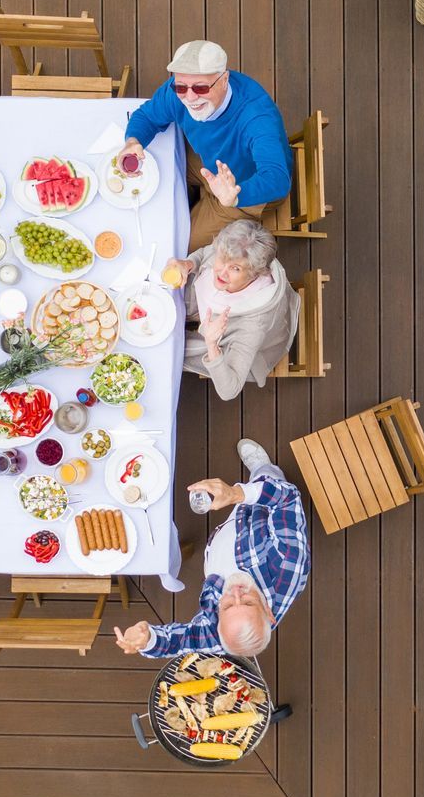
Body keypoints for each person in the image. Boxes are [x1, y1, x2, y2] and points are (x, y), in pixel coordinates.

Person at [113, 441, 309, 658]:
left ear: (219, 621)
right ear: (269, 614)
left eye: (226, 607)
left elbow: (184, 642)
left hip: (226, 545)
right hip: (259, 512)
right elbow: (287, 499)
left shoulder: (220, 636)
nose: (235, 593)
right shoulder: (289, 564)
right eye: (248, 601)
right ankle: (263, 469)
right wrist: (237, 494)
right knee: (268, 479)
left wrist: (148, 640)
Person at [121, 40, 292, 247]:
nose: (190, 97)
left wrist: (236, 195)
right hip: (205, 160)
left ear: (224, 79)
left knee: (177, 245)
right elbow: (147, 117)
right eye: (180, 87)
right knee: (145, 176)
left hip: (239, 190)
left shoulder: (257, 118)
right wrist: (132, 141)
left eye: (201, 88)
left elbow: (277, 179)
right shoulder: (179, 92)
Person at [163, 220, 297, 400]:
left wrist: (211, 344)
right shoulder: (231, 248)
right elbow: (205, 253)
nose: (221, 273)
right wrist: (188, 264)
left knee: (170, 349)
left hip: (234, 343)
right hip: (211, 306)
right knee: (162, 295)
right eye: (222, 260)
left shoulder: (253, 326)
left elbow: (229, 391)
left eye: (235, 268)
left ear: (256, 274)